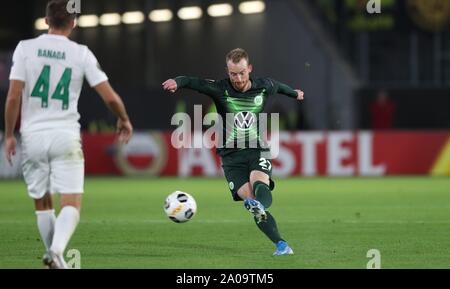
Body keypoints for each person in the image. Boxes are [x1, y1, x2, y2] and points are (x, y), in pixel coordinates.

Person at [3, 0, 133, 268]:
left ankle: (56, 257)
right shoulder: (80, 53)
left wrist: (8, 135)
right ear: (73, 22)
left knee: (43, 203)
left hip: (33, 136)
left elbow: (13, 96)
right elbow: (109, 96)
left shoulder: (25, 48)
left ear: (46, 20)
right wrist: (123, 118)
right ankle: (58, 251)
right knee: (71, 202)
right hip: (65, 135)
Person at [162, 48, 304, 256]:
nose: (237, 78)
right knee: (248, 196)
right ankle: (282, 245)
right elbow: (194, 82)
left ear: (250, 69)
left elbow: (280, 87)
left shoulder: (263, 86)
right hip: (230, 156)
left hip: (257, 148)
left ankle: (260, 208)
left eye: (242, 73)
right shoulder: (220, 89)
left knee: (259, 184)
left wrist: (294, 93)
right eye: (233, 73)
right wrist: (177, 81)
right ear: (227, 71)